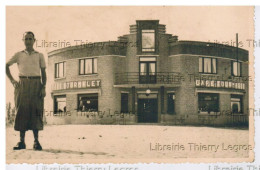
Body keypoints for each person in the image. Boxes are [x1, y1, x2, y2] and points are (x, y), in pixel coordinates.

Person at [6, 31, 47, 151]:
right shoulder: (18, 55)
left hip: (36, 84)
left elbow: (43, 73)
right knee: (21, 111)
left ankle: (36, 141)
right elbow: (5, 66)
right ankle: (21, 141)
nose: (28, 41)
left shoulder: (39, 55)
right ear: (23, 40)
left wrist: (43, 87)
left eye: (30, 39)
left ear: (34, 40)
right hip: (22, 84)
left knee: (36, 111)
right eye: (26, 39)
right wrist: (13, 81)